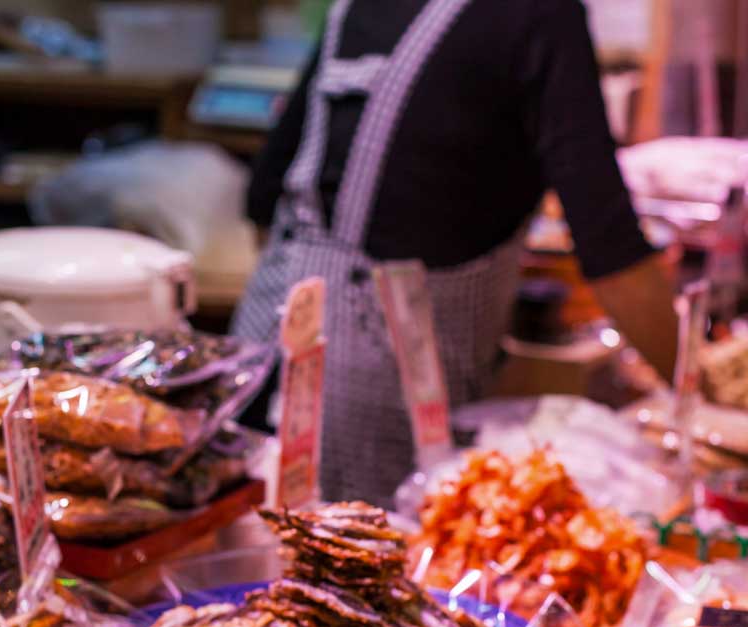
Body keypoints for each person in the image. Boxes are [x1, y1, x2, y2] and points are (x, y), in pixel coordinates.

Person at [233, 0, 679, 507]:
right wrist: (700, 395)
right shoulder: (541, 15)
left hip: (257, 349)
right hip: (382, 395)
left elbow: (264, 195)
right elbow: (612, 253)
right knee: (366, 563)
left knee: (252, 560)